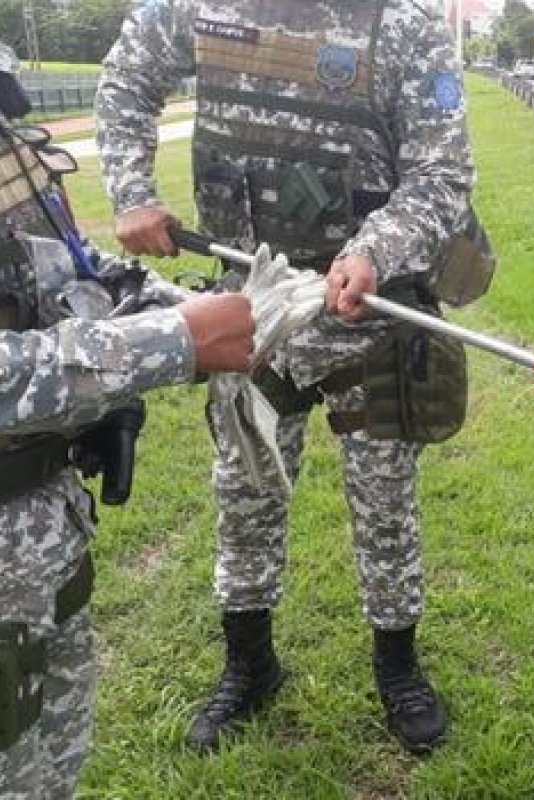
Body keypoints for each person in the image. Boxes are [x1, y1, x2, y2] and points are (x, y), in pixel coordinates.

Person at [95, 0, 476, 756]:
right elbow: (127, 76)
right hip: (251, 312)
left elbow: (443, 173)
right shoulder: (198, 7)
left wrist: (374, 249)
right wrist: (132, 190)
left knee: (385, 504)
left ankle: (397, 667)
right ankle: (250, 664)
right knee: (246, 495)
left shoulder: (404, 26)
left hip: (368, 314)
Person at [0, 40, 256, 798]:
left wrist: (181, 303)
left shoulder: (8, 133)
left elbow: (66, 267)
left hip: (43, 550)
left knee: (52, 774)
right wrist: (173, 342)